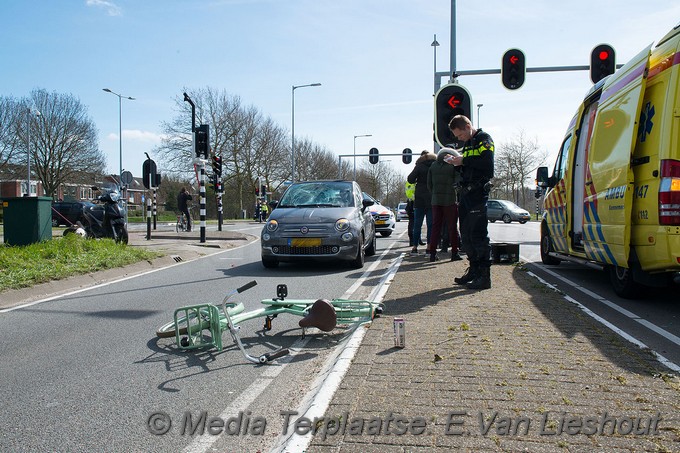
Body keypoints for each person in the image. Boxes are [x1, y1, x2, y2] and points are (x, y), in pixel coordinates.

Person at [449, 115, 495, 289]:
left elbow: (487, 165)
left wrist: (464, 160)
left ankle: (484, 276)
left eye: (460, 135)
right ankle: (474, 270)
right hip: (466, 194)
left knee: (478, 235)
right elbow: (470, 166)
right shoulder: (468, 144)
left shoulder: (484, 140)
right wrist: (458, 164)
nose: (459, 139)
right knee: (466, 235)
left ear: (467, 126)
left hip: (477, 194)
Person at [426, 148, 463, 263]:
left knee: (435, 227)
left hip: (436, 201)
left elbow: (429, 184)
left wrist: (434, 194)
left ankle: (432, 253)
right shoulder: (452, 166)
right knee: (452, 227)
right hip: (450, 200)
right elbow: (458, 181)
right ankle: (454, 253)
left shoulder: (433, 166)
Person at [407, 150, 436, 255]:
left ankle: (415, 247)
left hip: (419, 199)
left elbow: (410, 179)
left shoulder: (419, 166)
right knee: (431, 225)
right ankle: (429, 248)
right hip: (432, 198)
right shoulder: (435, 165)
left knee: (417, 224)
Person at [404, 182, 416, 253]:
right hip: (413, 204)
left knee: (413, 223)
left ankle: (415, 240)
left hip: (411, 204)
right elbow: (409, 194)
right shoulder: (412, 183)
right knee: (413, 224)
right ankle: (412, 241)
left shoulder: (409, 183)